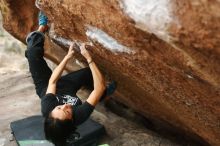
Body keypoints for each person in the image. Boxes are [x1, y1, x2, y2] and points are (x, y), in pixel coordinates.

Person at [25, 11, 116, 146]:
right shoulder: (80, 115)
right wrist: (89, 58)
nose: (65, 106)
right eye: (67, 111)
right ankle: (103, 95)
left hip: (45, 85)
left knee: (32, 53)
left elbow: (53, 81)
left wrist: (67, 57)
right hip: (67, 88)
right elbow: (98, 88)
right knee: (92, 74)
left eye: (59, 108)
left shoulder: (47, 107)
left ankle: (42, 28)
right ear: (71, 120)